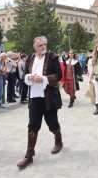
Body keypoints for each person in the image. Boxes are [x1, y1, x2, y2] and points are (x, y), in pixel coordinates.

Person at [17, 36, 63, 170]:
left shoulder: (53, 57)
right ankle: (29, 155)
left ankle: (58, 140)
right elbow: (25, 75)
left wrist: (43, 79)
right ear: (34, 47)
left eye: (44, 44)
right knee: (32, 125)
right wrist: (28, 77)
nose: (43, 47)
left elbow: (59, 75)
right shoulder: (30, 58)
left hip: (49, 97)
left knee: (52, 123)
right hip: (34, 98)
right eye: (40, 45)